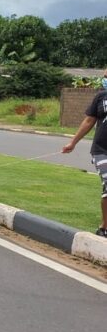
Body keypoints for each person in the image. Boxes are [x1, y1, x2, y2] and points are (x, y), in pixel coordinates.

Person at [62, 68, 107, 237]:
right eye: (105, 77)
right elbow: (89, 121)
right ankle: (104, 227)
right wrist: (72, 143)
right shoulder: (101, 97)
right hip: (102, 150)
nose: (105, 79)